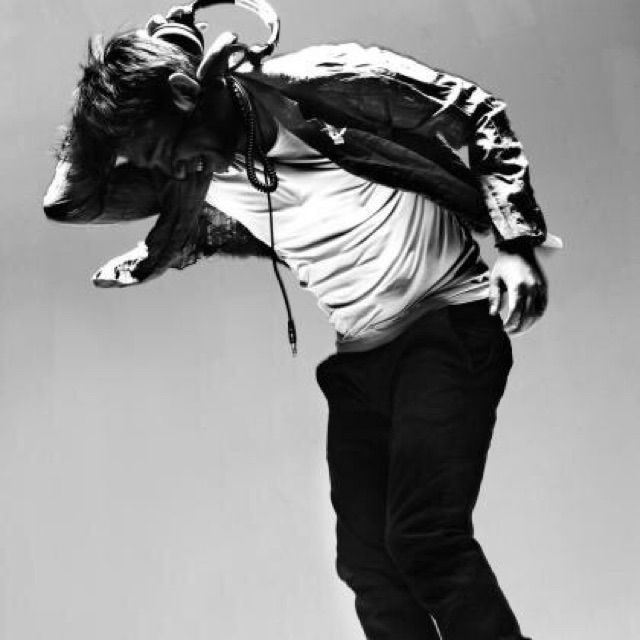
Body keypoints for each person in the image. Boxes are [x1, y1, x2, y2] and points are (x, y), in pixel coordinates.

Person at [43, 7, 560, 638]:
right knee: (368, 567)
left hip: (447, 323)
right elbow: (68, 202)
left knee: (425, 537)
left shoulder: (324, 83)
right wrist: (106, 95)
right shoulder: (192, 169)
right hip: (361, 359)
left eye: (167, 152)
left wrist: (516, 242)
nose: (173, 173)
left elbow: (473, 109)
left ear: (187, 93)